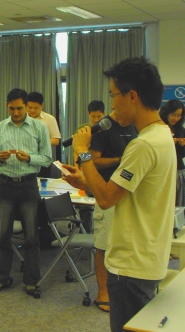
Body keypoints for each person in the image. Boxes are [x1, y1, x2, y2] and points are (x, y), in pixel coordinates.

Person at [63, 57, 174, 332]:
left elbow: (105, 200)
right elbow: (122, 193)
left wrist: (82, 152)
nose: (111, 105)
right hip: (147, 259)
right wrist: (85, 180)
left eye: (113, 96)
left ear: (132, 96)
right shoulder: (162, 136)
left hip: (131, 267)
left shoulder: (143, 145)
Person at [0, 88, 52, 295]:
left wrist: (29, 158)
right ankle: (1, 278)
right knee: (3, 235)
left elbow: (47, 158)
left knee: (31, 236)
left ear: (26, 106)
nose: (15, 112)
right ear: (7, 106)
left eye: (20, 108)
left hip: (28, 185)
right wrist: (0, 159)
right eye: (12, 108)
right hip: (4, 184)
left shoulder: (39, 127)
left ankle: (32, 281)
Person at [87, 110, 137, 313]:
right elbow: (92, 160)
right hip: (106, 190)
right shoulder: (103, 128)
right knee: (104, 245)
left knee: (127, 244)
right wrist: (120, 160)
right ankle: (102, 292)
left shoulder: (135, 127)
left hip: (129, 192)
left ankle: (125, 288)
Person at [160, 99, 185, 206]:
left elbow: (182, 155)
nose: (176, 118)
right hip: (163, 171)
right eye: (173, 114)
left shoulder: (181, 129)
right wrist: (168, 143)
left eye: (179, 115)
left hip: (178, 170)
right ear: (167, 113)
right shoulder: (160, 127)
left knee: (179, 205)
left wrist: (182, 145)